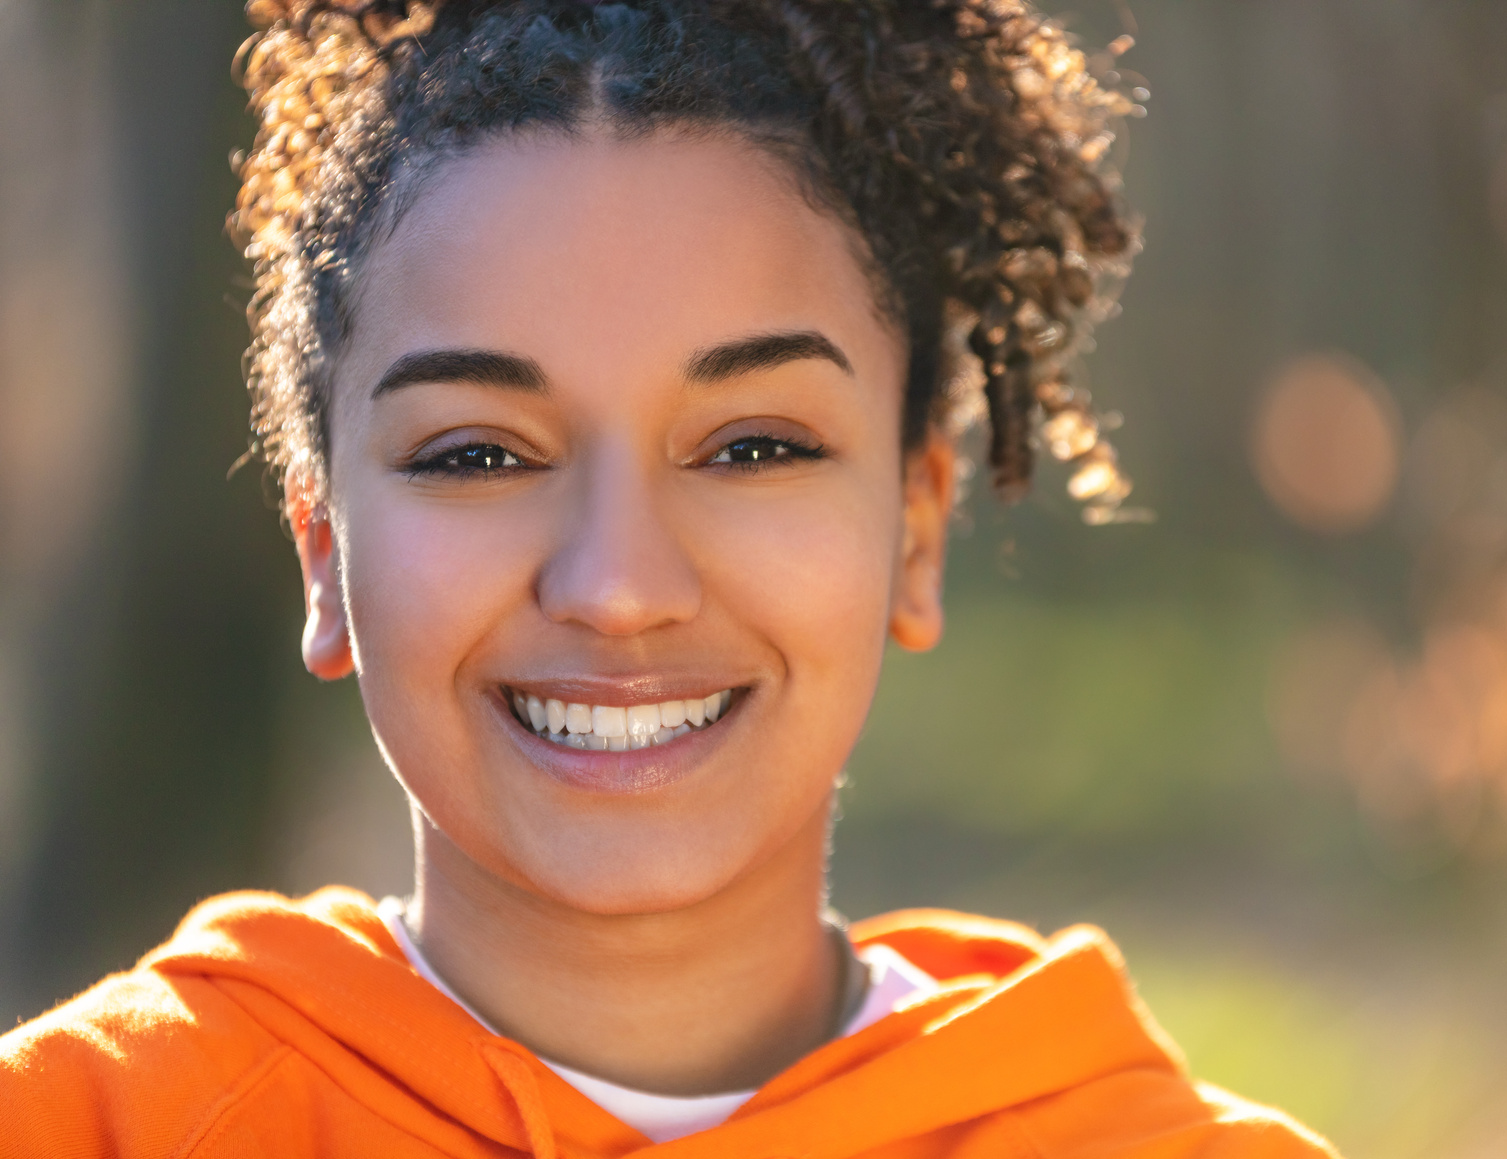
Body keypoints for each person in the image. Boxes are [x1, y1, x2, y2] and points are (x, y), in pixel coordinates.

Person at [0, 2, 1338, 1154]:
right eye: (477, 454)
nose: (618, 586)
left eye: (754, 445)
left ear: (913, 532)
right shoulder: (88, 1129)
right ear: (326, 551)